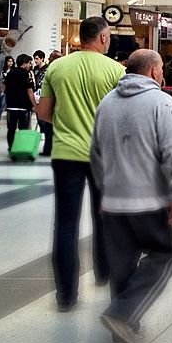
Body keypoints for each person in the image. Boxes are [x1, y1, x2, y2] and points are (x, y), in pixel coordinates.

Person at [89, 50, 172, 343]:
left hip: (115, 199)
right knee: (168, 252)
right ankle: (123, 313)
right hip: (151, 200)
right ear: (155, 71)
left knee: (121, 263)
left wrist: (103, 190)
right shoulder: (162, 102)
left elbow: (95, 153)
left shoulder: (107, 103)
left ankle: (122, 330)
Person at [37, 16, 124, 312]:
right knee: (106, 218)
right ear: (102, 38)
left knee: (65, 224)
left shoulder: (57, 67)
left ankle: (66, 294)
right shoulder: (116, 70)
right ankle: (105, 272)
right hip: (104, 155)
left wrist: (66, 121)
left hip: (66, 154)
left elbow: (43, 112)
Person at [3, 53, 38, 154]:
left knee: (11, 130)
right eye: (29, 63)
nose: (30, 65)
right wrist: (34, 105)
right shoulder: (26, 74)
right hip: (23, 106)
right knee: (23, 130)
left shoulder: (10, 73)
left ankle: (11, 148)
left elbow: (3, 87)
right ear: (24, 63)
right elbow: (29, 91)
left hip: (11, 106)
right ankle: (21, 149)